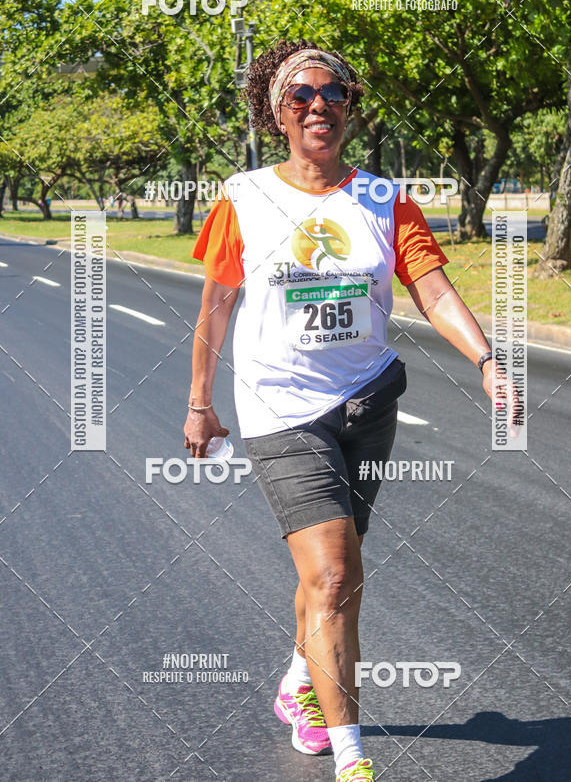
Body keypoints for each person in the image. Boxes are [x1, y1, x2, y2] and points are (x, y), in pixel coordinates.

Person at [184, 40, 515, 781]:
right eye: (300, 95)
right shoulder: (244, 197)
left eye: (333, 93)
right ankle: (353, 759)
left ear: (351, 108)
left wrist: (488, 361)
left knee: (335, 569)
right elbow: (216, 307)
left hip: (365, 403)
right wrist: (201, 403)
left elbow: (430, 288)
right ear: (277, 111)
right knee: (333, 575)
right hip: (278, 408)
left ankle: (299, 682)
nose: (318, 107)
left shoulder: (383, 198)